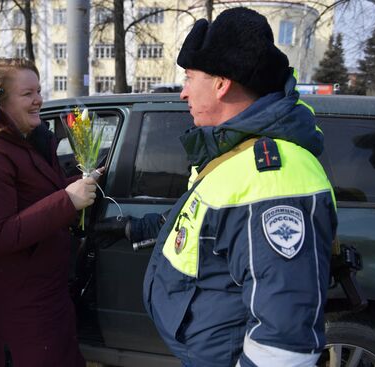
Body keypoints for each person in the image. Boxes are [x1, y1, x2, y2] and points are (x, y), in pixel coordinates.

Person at [140, 8, 337, 367]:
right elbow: (216, 235)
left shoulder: (271, 177)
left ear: (221, 83)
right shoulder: (234, 153)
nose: (183, 93)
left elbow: (283, 342)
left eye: (189, 78)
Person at [0, 57, 96, 367]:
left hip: (45, 294)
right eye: (27, 94)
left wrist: (81, 183)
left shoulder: (26, 141)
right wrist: (67, 201)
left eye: (39, 91)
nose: (38, 100)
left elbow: (35, 196)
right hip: (15, 305)